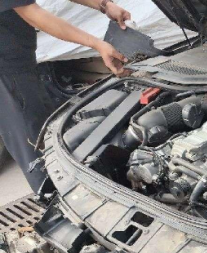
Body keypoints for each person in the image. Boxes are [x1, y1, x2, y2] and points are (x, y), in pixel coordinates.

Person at [0, 0, 131, 192]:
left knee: (51, 135)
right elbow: (34, 14)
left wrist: (104, 5)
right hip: (6, 74)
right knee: (38, 150)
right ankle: (57, 201)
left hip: (20, 63)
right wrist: (97, 44)